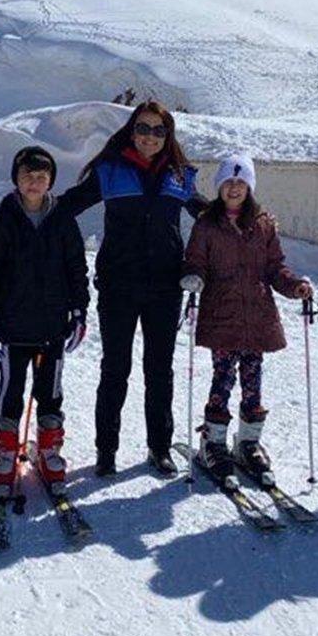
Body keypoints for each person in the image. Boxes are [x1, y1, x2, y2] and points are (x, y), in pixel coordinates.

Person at [57, 100, 208, 477]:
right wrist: (27, 213)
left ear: (167, 135)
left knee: (159, 370)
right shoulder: (110, 171)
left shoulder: (180, 176)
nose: (149, 137)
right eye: (143, 128)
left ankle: (160, 447)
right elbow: (67, 206)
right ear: (131, 130)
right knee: (115, 368)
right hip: (118, 285)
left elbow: (207, 214)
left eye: (158, 130)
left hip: (164, 287)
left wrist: (244, 217)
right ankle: (106, 451)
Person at [179, 155, 312, 481]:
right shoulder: (207, 224)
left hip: (256, 315)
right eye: (228, 182)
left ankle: (248, 442)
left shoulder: (263, 224)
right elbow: (195, 260)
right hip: (222, 313)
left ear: (250, 187)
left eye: (241, 183)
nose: (234, 188)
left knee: (253, 381)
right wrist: (194, 277)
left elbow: (275, 267)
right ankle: (213, 442)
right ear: (219, 187)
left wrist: (294, 285)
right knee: (222, 379)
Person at [0, 146, 90, 498]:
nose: (34, 182)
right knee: (11, 391)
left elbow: (76, 269)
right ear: (17, 179)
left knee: (50, 391)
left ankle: (49, 448)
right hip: (13, 326)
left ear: (51, 181)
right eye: (28, 175)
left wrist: (79, 310)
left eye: (42, 176)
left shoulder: (63, 221)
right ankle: (6, 450)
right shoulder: (0, 222)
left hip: (52, 326)